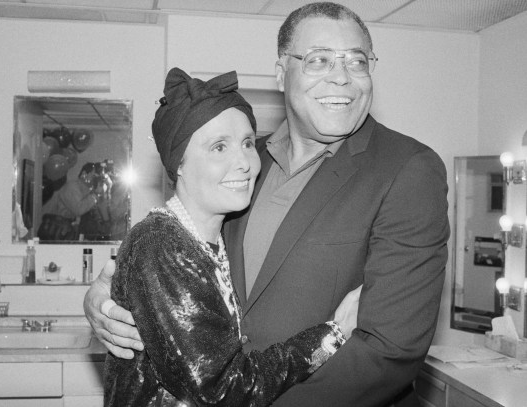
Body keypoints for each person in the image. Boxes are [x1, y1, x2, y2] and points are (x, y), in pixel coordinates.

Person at [85, 2, 450, 406]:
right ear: (281, 73)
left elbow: (388, 352)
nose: (342, 78)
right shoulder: (243, 167)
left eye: (357, 61)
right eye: (319, 60)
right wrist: (102, 300)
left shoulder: (406, 169)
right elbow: (169, 253)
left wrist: (243, 398)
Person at [102, 67, 359, 406]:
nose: (244, 162)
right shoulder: (161, 244)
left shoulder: (211, 238)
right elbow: (222, 390)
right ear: (178, 162)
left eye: (248, 143)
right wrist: (333, 334)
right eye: (219, 147)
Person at [39, 162, 107, 240]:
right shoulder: (72, 187)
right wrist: (95, 194)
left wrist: (103, 193)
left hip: (69, 233)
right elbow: (78, 209)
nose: (95, 179)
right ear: (84, 174)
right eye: (94, 176)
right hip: (57, 232)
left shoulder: (88, 190)